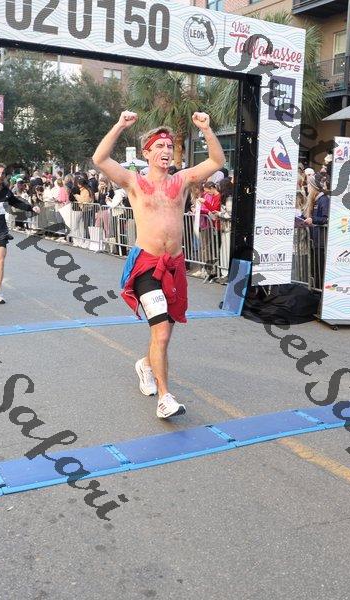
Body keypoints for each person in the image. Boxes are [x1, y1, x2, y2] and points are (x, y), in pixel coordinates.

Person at [93, 110, 225, 418]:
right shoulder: (134, 182)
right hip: (147, 267)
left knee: (163, 331)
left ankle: (145, 364)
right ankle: (165, 398)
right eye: (159, 147)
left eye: (169, 146)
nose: (166, 151)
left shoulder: (181, 180)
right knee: (162, 333)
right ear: (147, 153)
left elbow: (216, 161)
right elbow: (100, 158)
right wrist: (120, 125)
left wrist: (206, 129)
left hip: (174, 266)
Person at [0, 162, 40, 304]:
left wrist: (31, 208)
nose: (0, 176)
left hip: (0, 230)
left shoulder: (6, 190)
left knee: (0, 261)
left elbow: (15, 202)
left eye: (3, 173)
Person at [303, 173, 330, 290]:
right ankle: (316, 289)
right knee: (315, 267)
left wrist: (312, 219)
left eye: (309, 185)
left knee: (320, 268)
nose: (307, 187)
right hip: (315, 239)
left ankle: (320, 291)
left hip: (321, 241)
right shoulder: (314, 200)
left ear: (314, 187)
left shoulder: (323, 200)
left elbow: (325, 219)